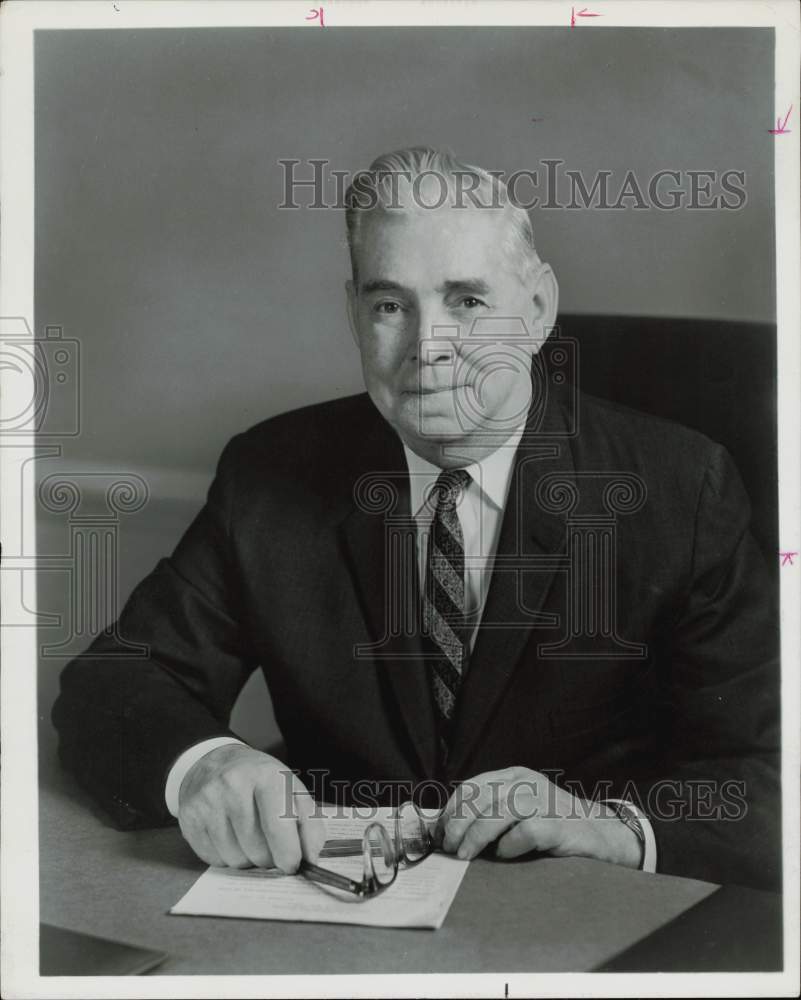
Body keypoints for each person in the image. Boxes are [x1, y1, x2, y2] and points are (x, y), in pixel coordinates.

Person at [53, 147, 780, 889]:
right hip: (332, 913)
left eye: (466, 300)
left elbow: (768, 772)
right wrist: (207, 763)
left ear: (535, 309)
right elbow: (112, 685)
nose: (427, 347)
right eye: (389, 305)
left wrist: (611, 826)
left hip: (580, 918)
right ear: (353, 314)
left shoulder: (680, 487)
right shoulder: (269, 473)